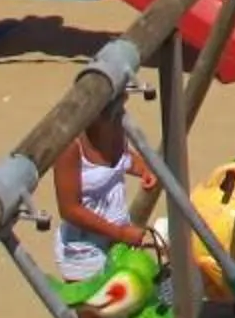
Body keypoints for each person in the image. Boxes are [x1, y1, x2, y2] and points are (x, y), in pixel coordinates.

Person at [54, 93, 159, 283]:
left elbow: (123, 158)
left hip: (117, 242)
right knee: (99, 300)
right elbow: (69, 210)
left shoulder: (115, 126)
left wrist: (144, 170)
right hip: (85, 252)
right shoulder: (70, 147)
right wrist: (120, 233)